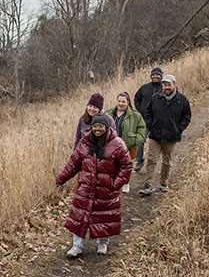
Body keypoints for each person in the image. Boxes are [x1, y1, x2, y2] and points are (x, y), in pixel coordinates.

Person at [55, 114, 133, 256]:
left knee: (104, 216)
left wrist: (115, 185)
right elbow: (73, 164)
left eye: (101, 126)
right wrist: (60, 179)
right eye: (95, 126)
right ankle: (77, 246)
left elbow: (126, 166)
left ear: (107, 127)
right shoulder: (85, 142)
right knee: (79, 216)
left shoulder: (117, 143)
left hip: (106, 189)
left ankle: (102, 243)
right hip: (85, 188)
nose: (97, 129)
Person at [140, 74, 191, 196]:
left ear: (174, 85)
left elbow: (187, 117)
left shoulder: (182, 100)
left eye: (169, 85)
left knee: (167, 161)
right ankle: (148, 185)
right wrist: (150, 125)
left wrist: (178, 129)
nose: (166, 87)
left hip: (171, 136)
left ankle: (163, 182)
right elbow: (148, 112)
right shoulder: (155, 98)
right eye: (164, 85)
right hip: (155, 135)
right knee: (151, 159)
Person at [106, 92, 146, 193]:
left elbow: (142, 128)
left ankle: (126, 184)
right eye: (119, 101)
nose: (121, 103)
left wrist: (135, 140)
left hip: (127, 145)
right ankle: (112, 184)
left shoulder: (135, 115)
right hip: (111, 145)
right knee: (111, 165)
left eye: (123, 101)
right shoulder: (109, 112)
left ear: (128, 102)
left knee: (125, 166)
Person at [132, 67, 164, 171]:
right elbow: (136, 98)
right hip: (144, 120)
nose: (155, 76)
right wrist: (141, 109)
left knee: (159, 143)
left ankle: (155, 164)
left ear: (161, 76)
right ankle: (139, 161)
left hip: (158, 121)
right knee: (141, 141)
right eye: (153, 74)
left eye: (158, 75)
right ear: (151, 76)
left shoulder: (164, 88)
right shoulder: (144, 88)